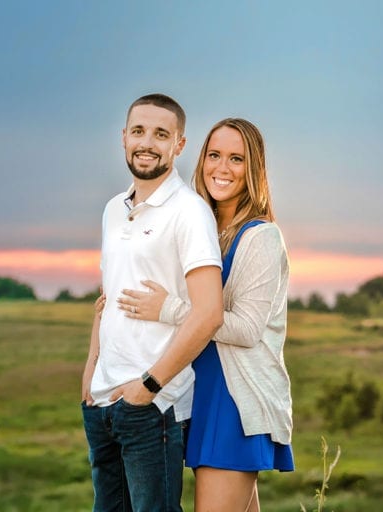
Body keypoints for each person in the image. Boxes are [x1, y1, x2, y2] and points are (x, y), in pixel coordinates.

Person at [113, 118, 295, 512]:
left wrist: (169, 309)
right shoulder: (201, 227)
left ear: (253, 169)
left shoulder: (261, 237)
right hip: (199, 394)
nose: (222, 168)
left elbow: (247, 330)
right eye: (214, 155)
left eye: (236, 159)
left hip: (234, 402)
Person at [81, 94, 225, 512]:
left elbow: (209, 313)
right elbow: (108, 294)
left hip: (153, 406)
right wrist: (91, 368)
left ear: (179, 144)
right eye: (138, 131)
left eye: (161, 134)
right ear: (123, 137)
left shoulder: (190, 212)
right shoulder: (113, 208)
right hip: (102, 401)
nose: (147, 143)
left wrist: (148, 387)